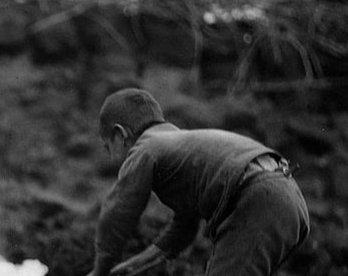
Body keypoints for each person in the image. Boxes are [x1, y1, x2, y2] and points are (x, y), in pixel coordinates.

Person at [84, 88, 309, 276]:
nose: (110, 157)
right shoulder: (182, 149)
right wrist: (138, 263)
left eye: (108, 147)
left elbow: (118, 213)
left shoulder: (146, 149)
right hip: (290, 199)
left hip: (259, 199)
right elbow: (184, 226)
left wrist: (100, 270)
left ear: (121, 134)